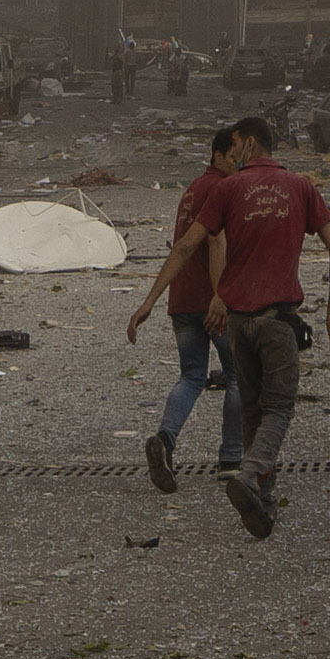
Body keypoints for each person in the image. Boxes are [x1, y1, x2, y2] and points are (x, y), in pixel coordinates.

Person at [156, 112, 330, 536]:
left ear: (249, 145)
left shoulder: (229, 189)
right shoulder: (301, 187)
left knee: (252, 411)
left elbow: (188, 244)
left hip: (238, 322)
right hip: (278, 320)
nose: (234, 149)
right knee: (278, 409)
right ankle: (250, 474)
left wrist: (150, 301)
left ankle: (263, 498)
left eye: (237, 142)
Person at [120, 126, 246, 492]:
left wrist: (149, 302)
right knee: (237, 375)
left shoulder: (191, 190)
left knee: (192, 375)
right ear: (219, 156)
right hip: (212, 303)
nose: (239, 162)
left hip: (182, 302)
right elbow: (217, 242)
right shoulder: (221, 189)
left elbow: (180, 248)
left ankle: (166, 440)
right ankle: (231, 459)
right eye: (234, 154)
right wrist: (220, 296)